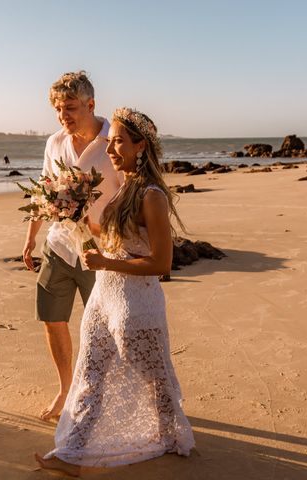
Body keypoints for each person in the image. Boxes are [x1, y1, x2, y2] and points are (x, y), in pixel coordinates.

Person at [35, 107, 195, 476]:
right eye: (109, 142)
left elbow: (161, 264)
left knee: (155, 377)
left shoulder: (152, 196)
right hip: (103, 300)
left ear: (141, 146)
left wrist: (108, 264)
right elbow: (116, 241)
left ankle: (173, 435)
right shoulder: (124, 189)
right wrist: (71, 213)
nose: (109, 150)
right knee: (90, 373)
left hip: (135, 304)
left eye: (118, 142)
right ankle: (71, 454)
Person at [22, 71, 122, 421]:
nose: (63, 116)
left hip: (103, 251)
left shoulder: (115, 142)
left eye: (71, 108)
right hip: (59, 246)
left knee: (105, 326)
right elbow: (44, 190)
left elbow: (131, 198)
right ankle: (66, 390)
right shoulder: (54, 143)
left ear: (91, 104)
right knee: (52, 319)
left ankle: (102, 394)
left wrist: (105, 228)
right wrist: (31, 235)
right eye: (58, 109)